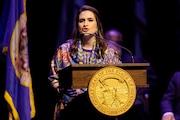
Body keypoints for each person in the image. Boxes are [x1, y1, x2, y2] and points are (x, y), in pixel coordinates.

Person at [48, 5, 122, 120]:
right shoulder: (64, 50)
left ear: (97, 25)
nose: (85, 24)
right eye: (81, 21)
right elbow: (53, 78)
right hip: (70, 111)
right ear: (77, 25)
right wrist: (63, 90)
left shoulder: (109, 53)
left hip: (100, 112)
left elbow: (118, 81)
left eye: (90, 20)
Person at [104, 28, 158, 120]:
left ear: (121, 44)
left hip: (132, 103)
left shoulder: (135, 61)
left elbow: (152, 80)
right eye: (110, 43)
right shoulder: (99, 61)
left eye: (117, 43)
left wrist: (143, 91)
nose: (113, 46)